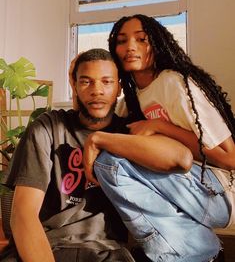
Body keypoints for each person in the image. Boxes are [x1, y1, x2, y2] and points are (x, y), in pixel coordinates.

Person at [0, 48, 192, 262]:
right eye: (86, 82)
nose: (97, 90)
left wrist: (100, 139)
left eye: (107, 82)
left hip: (106, 252)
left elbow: (182, 159)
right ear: (74, 85)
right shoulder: (48, 128)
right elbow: (23, 214)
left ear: (119, 87)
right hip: (45, 246)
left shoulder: (129, 133)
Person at [81, 15, 235, 262]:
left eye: (141, 39)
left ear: (158, 44)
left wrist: (159, 126)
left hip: (220, 192)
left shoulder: (174, 83)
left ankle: (194, 250)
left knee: (112, 162)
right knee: (111, 161)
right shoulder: (130, 101)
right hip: (186, 191)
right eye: (122, 41)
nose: (130, 46)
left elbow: (230, 158)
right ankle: (196, 250)